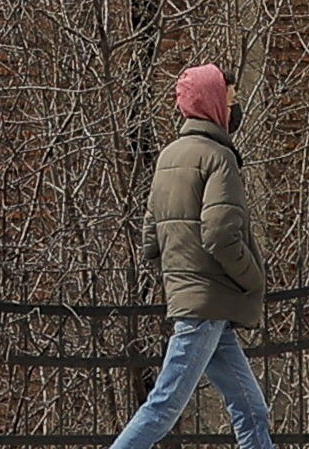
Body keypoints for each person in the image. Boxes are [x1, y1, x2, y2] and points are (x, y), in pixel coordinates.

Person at [108, 61, 276, 449]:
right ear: (215, 104)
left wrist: (183, 276)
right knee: (164, 407)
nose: (235, 108)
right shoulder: (219, 158)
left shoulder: (168, 157)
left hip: (201, 304)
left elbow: (151, 241)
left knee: (251, 410)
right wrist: (253, 278)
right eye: (231, 98)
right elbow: (220, 234)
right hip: (207, 306)